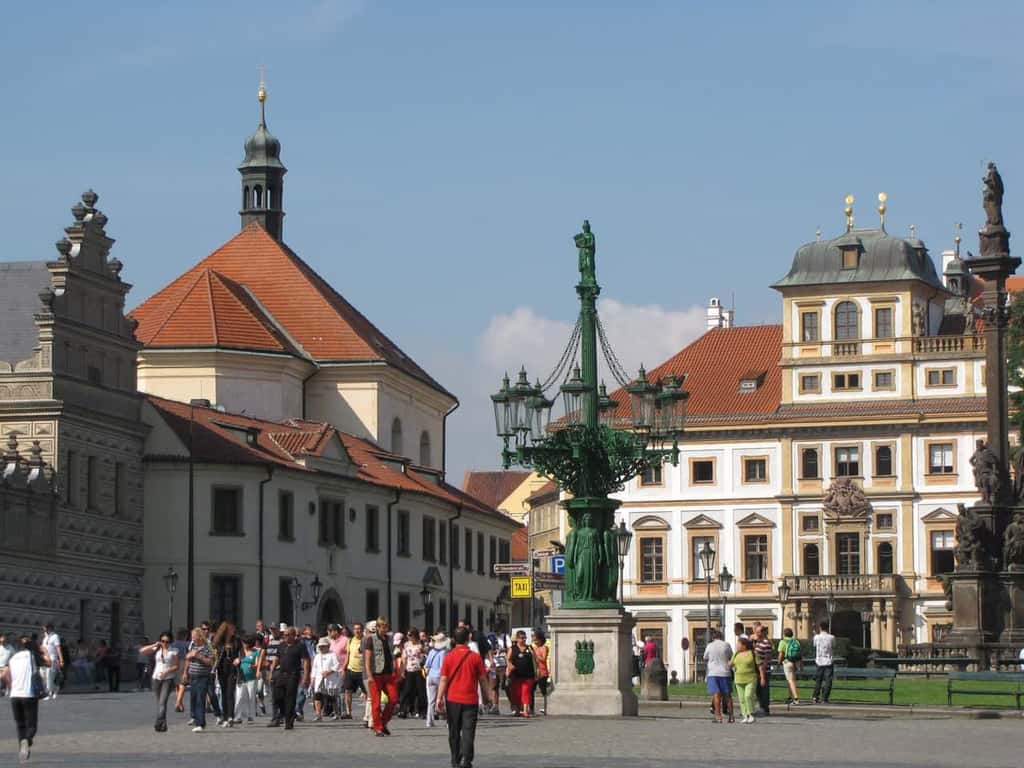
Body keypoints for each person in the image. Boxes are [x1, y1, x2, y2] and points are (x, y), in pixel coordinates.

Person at [438, 626, 493, 768]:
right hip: (470, 700)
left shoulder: (448, 657)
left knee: (454, 731)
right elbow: (482, 680)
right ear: (468, 638)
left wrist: (439, 698)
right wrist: (488, 696)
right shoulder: (475, 657)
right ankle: (466, 760)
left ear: (454, 639)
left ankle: (455, 758)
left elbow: (443, 679)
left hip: (453, 699)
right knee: (468, 731)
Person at [2, 637, 40, 762]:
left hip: (14, 695)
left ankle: (22, 751)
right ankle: (27, 740)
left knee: (20, 725)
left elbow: (5, 676)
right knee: (32, 725)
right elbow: (37, 671)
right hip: (28, 694)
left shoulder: (12, 659)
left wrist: (11, 686)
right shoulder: (30, 655)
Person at [364, 617, 402, 736]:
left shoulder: (389, 639)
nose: (385, 629)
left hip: (388, 674)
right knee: (376, 703)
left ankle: (383, 722)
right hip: (376, 675)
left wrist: (398, 671)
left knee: (394, 699)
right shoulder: (371, 640)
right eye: (383, 627)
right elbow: (367, 659)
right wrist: (369, 675)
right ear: (378, 627)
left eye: (386, 627)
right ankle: (378, 728)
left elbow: (395, 655)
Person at [268, 626, 310, 730]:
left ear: (293, 636)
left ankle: (289, 722)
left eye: (287, 635)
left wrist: (305, 676)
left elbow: (306, 661)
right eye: (284, 635)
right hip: (281, 674)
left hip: (293, 674)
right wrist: (271, 672)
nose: (285, 637)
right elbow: (276, 659)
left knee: (290, 699)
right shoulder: (281, 645)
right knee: (278, 697)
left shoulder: (300, 646)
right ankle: (286, 713)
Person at [140, 632, 180, 732]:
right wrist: (154, 645)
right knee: (161, 703)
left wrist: (166, 671)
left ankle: (158, 723)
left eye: (167, 641)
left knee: (162, 702)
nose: (165, 643)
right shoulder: (157, 649)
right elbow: (142, 650)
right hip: (156, 678)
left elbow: (176, 666)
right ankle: (163, 724)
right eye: (163, 641)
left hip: (168, 679)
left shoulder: (174, 651)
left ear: (170, 641)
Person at [185, 627, 215, 733]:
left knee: (200, 700)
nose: (192, 638)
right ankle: (195, 718)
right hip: (193, 676)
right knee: (193, 699)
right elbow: (187, 657)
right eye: (191, 636)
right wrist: (185, 672)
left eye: (194, 636)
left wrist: (198, 656)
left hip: (203, 677)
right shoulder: (192, 645)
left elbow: (211, 662)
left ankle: (200, 723)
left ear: (199, 636)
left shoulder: (208, 647)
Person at [213, 622, 241, 727]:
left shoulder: (236, 640)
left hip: (232, 668)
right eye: (231, 629)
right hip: (221, 668)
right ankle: (225, 716)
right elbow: (214, 652)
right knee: (223, 693)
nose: (233, 631)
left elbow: (240, 652)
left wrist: (239, 659)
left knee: (230, 693)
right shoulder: (218, 641)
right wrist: (223, 648)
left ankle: (230, 716)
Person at [703, 629, 734, 724]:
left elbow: (705, 657)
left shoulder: (710, 645)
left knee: (716, 694)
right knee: (727, 695)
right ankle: (731, 716)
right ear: (721, 637)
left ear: (713, 637)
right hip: (725, 672)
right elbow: (731, 656)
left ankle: (718, 716)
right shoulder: (726, 644)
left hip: (713, 672)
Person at [507, 630, 535, 717]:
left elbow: (535, 660)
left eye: (525, 638)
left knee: (526, 692)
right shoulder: (513, 648)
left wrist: (537, 672)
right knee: (516, 693)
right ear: (517, 639)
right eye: (522, 638)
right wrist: (509, 666)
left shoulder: (529, 648)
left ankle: (526, 710)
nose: (524, 640)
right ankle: (518, 710)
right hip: (516, 675)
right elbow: (508, 659)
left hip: (528, 675)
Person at [399, 627, 425, 718]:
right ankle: (403, 710)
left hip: (419, 670)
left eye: (410, 635)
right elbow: (404, 658)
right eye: (407, 635)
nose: (408, 637)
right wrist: (402, 670)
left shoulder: (420, 645)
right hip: (409, 670)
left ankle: (422, 711)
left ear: (415, 635)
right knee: (407, 690)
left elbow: (425, 656)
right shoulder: (406, 645)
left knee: (421, 691)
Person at [311, 637, 340, 721]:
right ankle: (318, 714)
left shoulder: (332, 655)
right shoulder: (317, 656)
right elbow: (314, 668)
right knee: (317, 696)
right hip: (319, 679)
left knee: (332, 697)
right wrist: (312, 678)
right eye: (320, 646)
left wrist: (329, 672)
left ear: (328, 646)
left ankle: (336, 713)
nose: (321, 648)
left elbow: (337, 665)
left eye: (323, 646)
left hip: (330, 679)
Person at [424, 632, 449, 728]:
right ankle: (448, 721)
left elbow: (427, 665)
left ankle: (429, 721)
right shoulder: (444, 652)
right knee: (445, 699)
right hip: (440, 677)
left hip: (430, 676)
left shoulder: (431, 651)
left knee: (431, 701)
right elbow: (444, 666)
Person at [731, 636, 757, 724]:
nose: (737, 646)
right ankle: (745, 715)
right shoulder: (736, 654)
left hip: (751, 678)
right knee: (742, 699)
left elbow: (760, 665)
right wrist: (734, 655)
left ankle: (751, 714)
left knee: (748, 696)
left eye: (738, 644)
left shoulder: (752, 653)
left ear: (744, 645)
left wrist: (763, 677)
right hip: (739, 679)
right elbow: (730, 665)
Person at [343, 622, 366, 721]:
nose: (357, 631)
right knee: (348, 691)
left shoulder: (366, 640)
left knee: (366, 692)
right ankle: (348, 712)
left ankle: (366, 713)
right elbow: (348, 655)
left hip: (362, 670)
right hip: (351, 669)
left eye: (359, 629)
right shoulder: (350, 640)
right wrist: (344, 667)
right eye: (355, 629)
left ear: (362, 630)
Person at [236, 635, 260, 723]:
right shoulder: (240, 652)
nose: (243, 644)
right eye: (243, 643)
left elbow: (257, 664)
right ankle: (238, 716)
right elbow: (236, 661)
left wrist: (253, 666)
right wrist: (236, 662)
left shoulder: (255, 652)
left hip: (251, 678)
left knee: (251, 697)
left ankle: (251, 715)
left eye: (245, 643)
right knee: (239, 697)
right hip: (241, 677)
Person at [776, 627, 801, 704]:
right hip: (795, 662)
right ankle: (790, 697)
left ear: (784, 634)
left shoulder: (783, 642)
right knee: (791, 680)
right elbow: (800, 654)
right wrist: (801, 665)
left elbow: (781, 654)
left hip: (787, 662)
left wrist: (778, 663)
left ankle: (796, 699)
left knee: (790, 681)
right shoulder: (796, 641)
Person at [812, 621, 835, 704]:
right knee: (828, 680)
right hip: (828, 661)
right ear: (827, 628)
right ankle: (825, 698)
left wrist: (815, 634)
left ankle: (815, 697)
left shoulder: (816, 637)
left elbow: (814, 645)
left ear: (820, 628)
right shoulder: (832, 637)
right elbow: (833, 646)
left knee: (818, 680)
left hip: (819, 661)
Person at [752, 625, 773, 716]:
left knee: (764, 689)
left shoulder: (766, 643)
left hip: (764, 669)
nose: (756, 633)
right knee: (758, 689)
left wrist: (762, 669)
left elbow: (767, 658)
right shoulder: (757, 642)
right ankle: (760, 707)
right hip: (757, 669)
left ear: (763, 632)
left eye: (759, 631)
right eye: (756, 631)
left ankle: (765, 708)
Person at [40, 624, 63, 700]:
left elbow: (58, 648)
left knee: (49, 676)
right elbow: (43, 648)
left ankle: (49, 693)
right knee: (43, 676)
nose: (44, 629)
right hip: (44, 659)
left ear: (49, 628)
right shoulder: (45, 637)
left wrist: (61, 659)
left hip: (52, 659)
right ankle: (56, 688)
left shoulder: (55, 636)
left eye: (45, 627)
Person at [531, 630, 550, 716]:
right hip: (534, 672)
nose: (534, 641)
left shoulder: (544, 648)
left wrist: (535, 655)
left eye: (536, 639)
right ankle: (531, 709)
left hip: (542, 671)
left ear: (540, 639)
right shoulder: (533, 648)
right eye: (533, 639)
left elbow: (543, 659)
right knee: (531, 690)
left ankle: (546, 707)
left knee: (543, 691)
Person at [172, 629, 190, 714]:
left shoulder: (173, 644)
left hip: (174, 663)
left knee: (177, 684)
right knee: (183, 683)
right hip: (183, 662)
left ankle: (180, 704)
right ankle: (178, 703)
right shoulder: (186, 644)